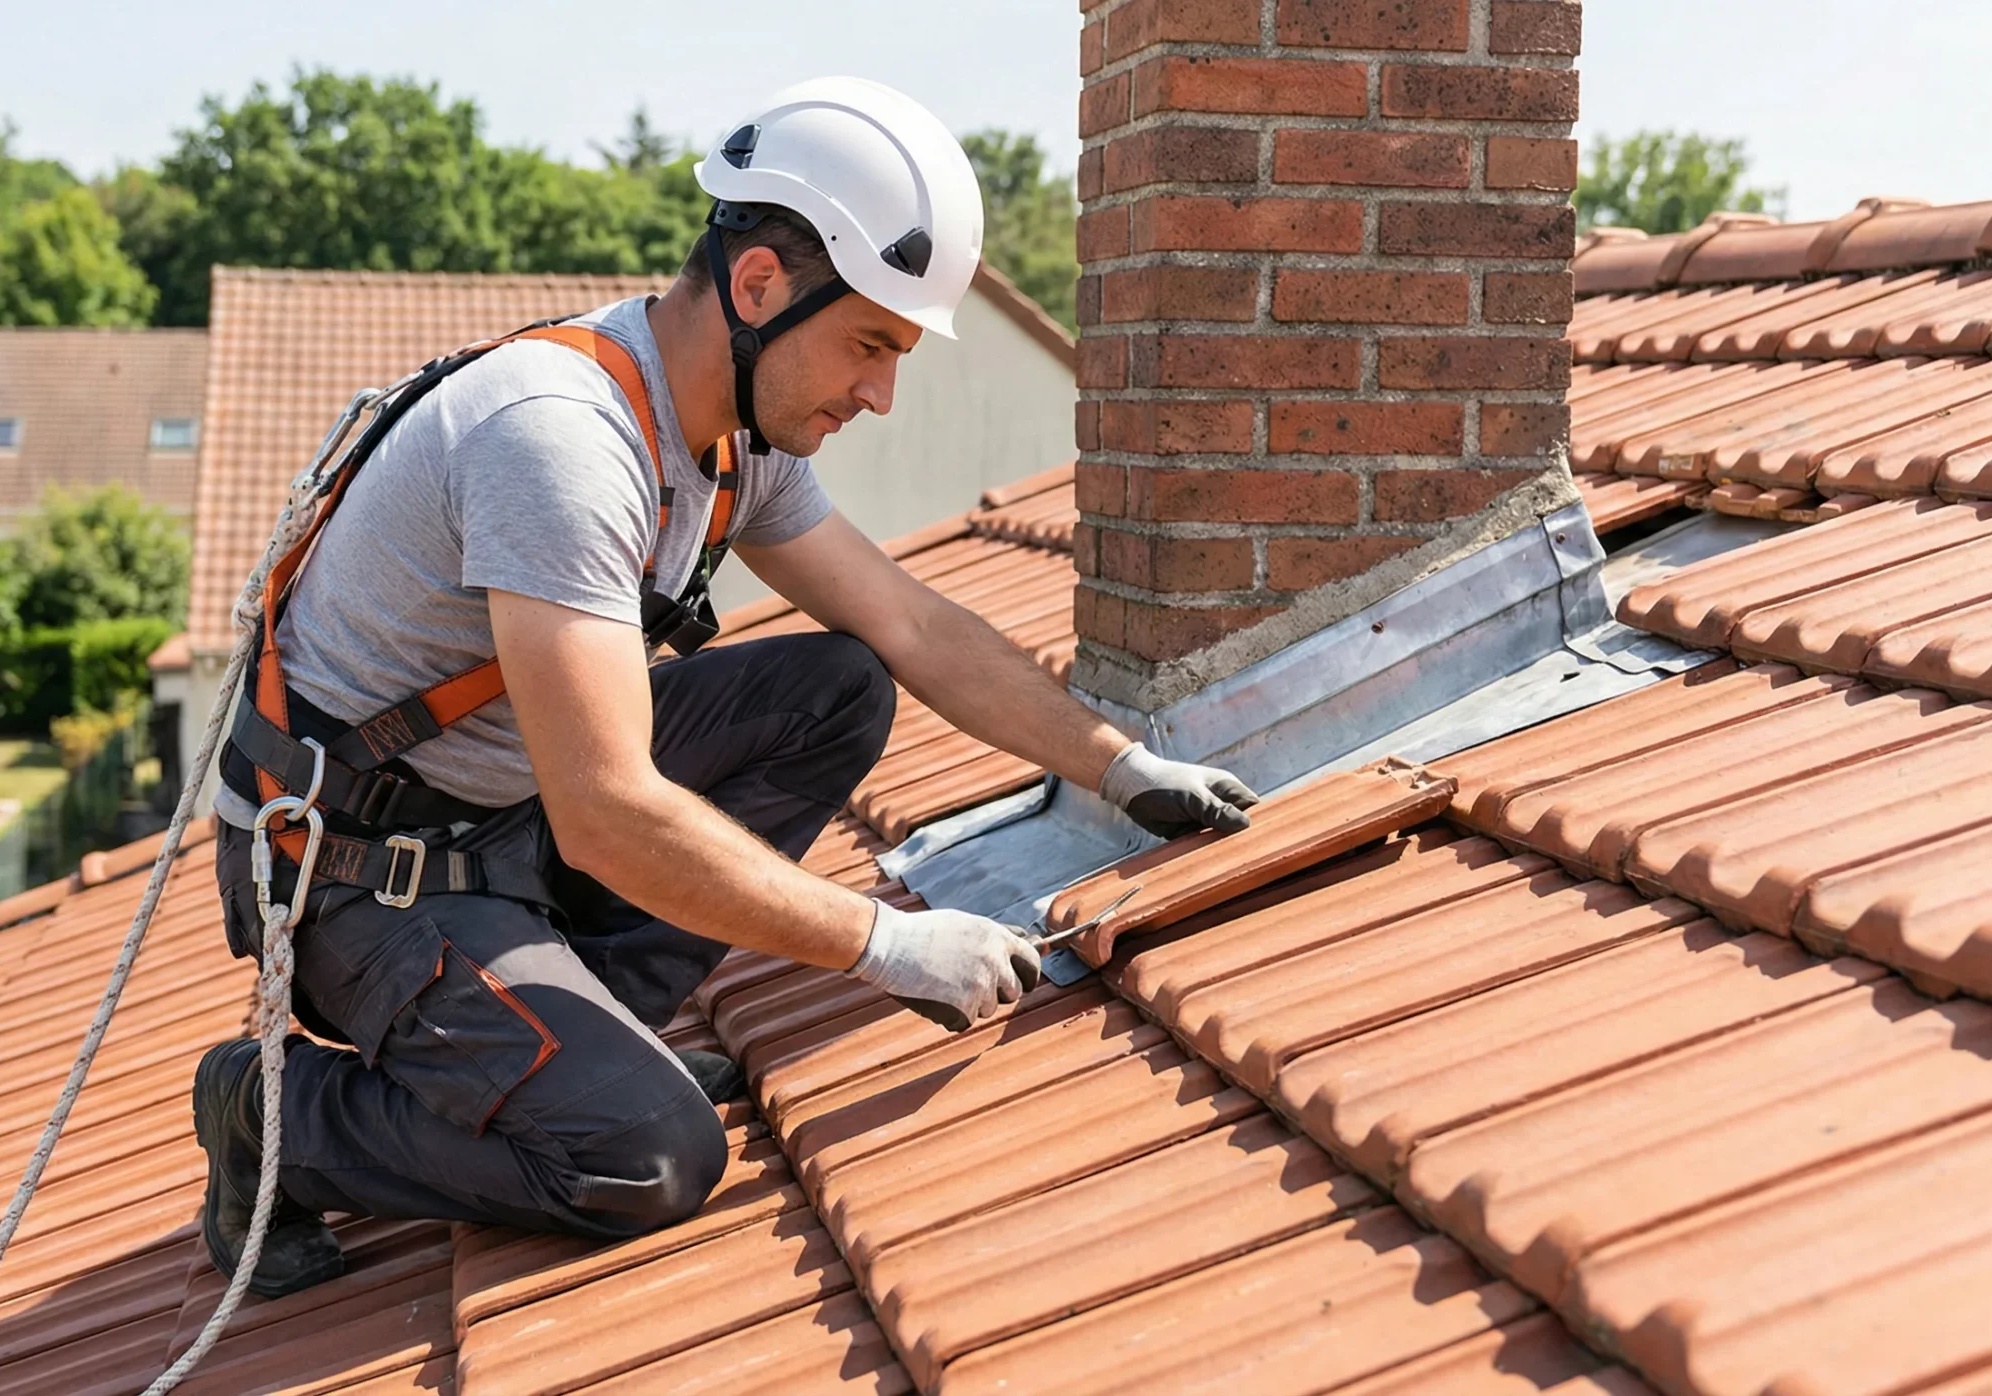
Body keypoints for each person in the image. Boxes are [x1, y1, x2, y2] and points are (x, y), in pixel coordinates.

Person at [192, 76, 1259, 1295]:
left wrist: (1120, 766)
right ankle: (276, 1119)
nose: (879, 393)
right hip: (365, 872)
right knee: (641, 1152)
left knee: (837, 687)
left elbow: (907, 621)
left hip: (506, 812)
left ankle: (588, 1018)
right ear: (759, 287)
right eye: (868, 344)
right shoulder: (562, 443)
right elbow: (605, 812)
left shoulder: (723, 437)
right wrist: (885, 943)